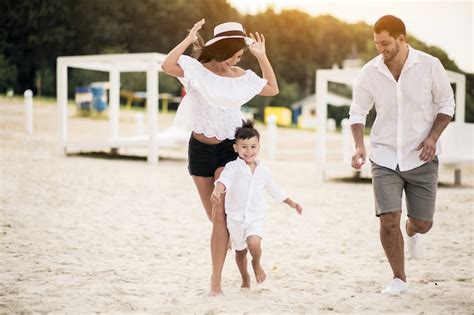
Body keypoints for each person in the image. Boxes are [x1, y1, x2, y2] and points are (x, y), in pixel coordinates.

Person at [161, 19, 279, 296]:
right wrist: (190, 39)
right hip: (199, 150)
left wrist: (262, 57)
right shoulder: (196, 71)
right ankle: (233, 244)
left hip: (229, 150)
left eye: (241, 56)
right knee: (217, 220)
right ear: (221, 50)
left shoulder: (242, 77)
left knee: (218, 215)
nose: (236, 61)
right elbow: (167, 65)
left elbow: (272, 88)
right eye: (234, 55)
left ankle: (215, 280)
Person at [349, 15, 455, 295]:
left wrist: (433, 138)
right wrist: (359, 145)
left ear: (401, 39)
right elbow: (358, 111)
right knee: (388, 219)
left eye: (385, 43)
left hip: (422, 155)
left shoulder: (430, 66)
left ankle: (413, 232)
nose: (380, 49)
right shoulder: (370, 72)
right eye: (376, 43)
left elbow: (447, 104)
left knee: (422, 223)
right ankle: (398, 278)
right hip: (384, 156)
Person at [211, 120, 303, 290]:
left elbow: (275, 190)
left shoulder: (263, 171)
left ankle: (257, 263)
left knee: (254, 243)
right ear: (236, 148)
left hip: (255, 217)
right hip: (236, 219)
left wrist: (291, 203)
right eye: (244, 146)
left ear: (259, 147)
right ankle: (245, 276)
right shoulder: (232, 167)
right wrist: (217, 190)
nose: (249, 151)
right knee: (240, 252)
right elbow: (224, 181)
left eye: (253, 146)